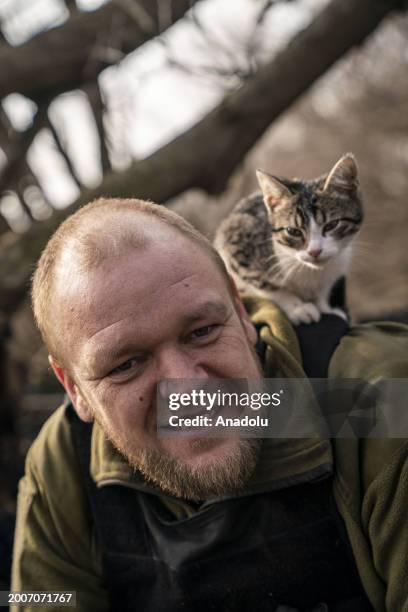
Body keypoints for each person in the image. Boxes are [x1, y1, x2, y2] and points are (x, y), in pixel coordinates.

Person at [11, 198, 408, 612]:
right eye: (126, 364)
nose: (186, 390)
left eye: (201, 332)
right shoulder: (65, 462)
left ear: (239, 311)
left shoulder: (377, 400)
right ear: (73, 387)